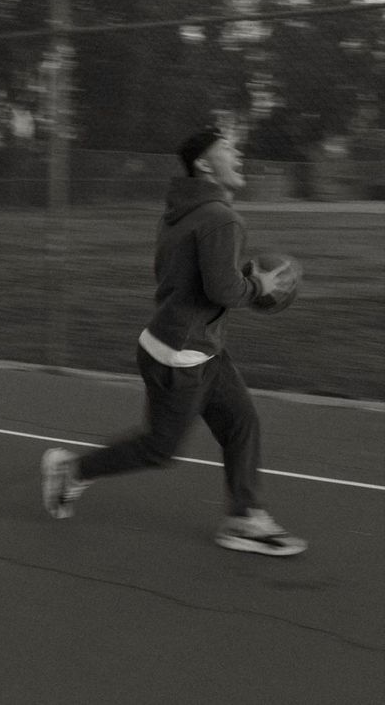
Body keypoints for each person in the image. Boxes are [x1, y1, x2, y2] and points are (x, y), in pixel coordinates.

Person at [41, 128, 307, 556]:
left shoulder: (182, 211)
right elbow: (223, 290)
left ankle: (243, 518)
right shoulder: (219, 217)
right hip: (182, 356)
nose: (238, 153)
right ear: (203, 164)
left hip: (194, 343)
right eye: (227, 148)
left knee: (242, 421)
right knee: (159, 449)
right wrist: (257, 286)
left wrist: (237, 278)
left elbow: (192, 277)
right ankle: (71, 470)